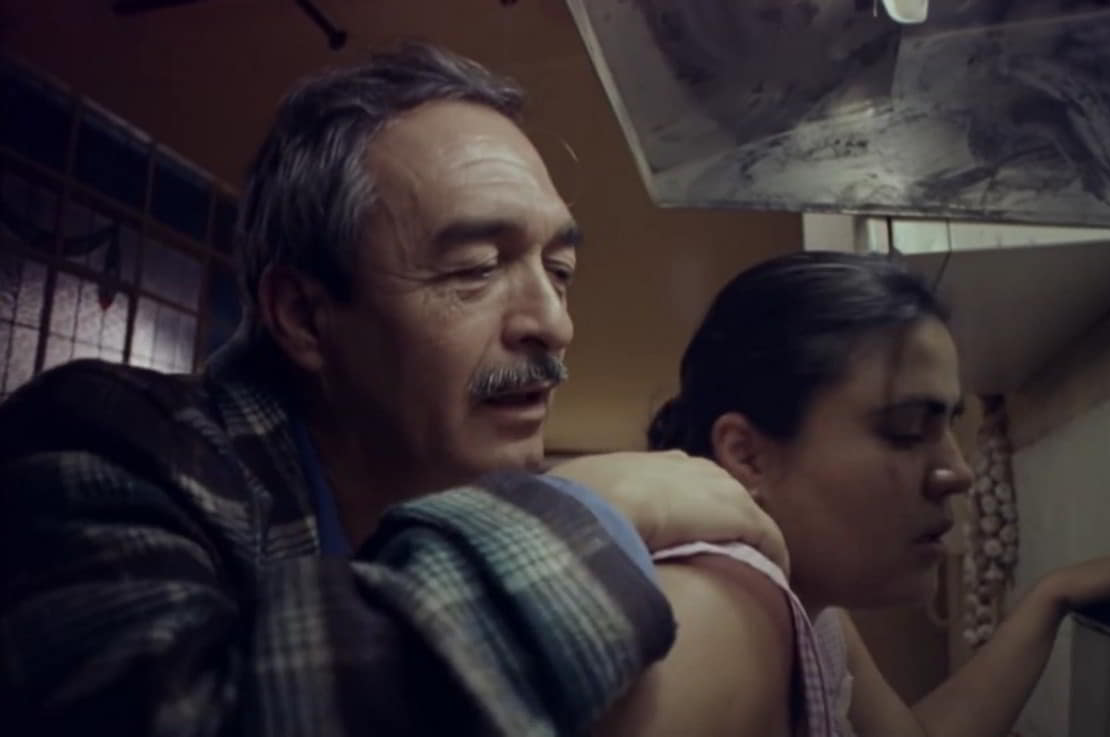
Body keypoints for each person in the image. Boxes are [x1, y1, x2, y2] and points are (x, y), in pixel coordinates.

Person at [0, 43, 796, 737]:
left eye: (560, 271)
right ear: (304, 316)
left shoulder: (435, 479)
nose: (554, 323)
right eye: (476, 268)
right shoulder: (98, 445)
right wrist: (593, 509)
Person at [647, 251, 1110, 737]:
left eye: (951, 424)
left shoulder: (806, 609)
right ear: (748, 455)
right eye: (905, 428)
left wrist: (1050, 597)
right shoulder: (706, 622)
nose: (959, 471)